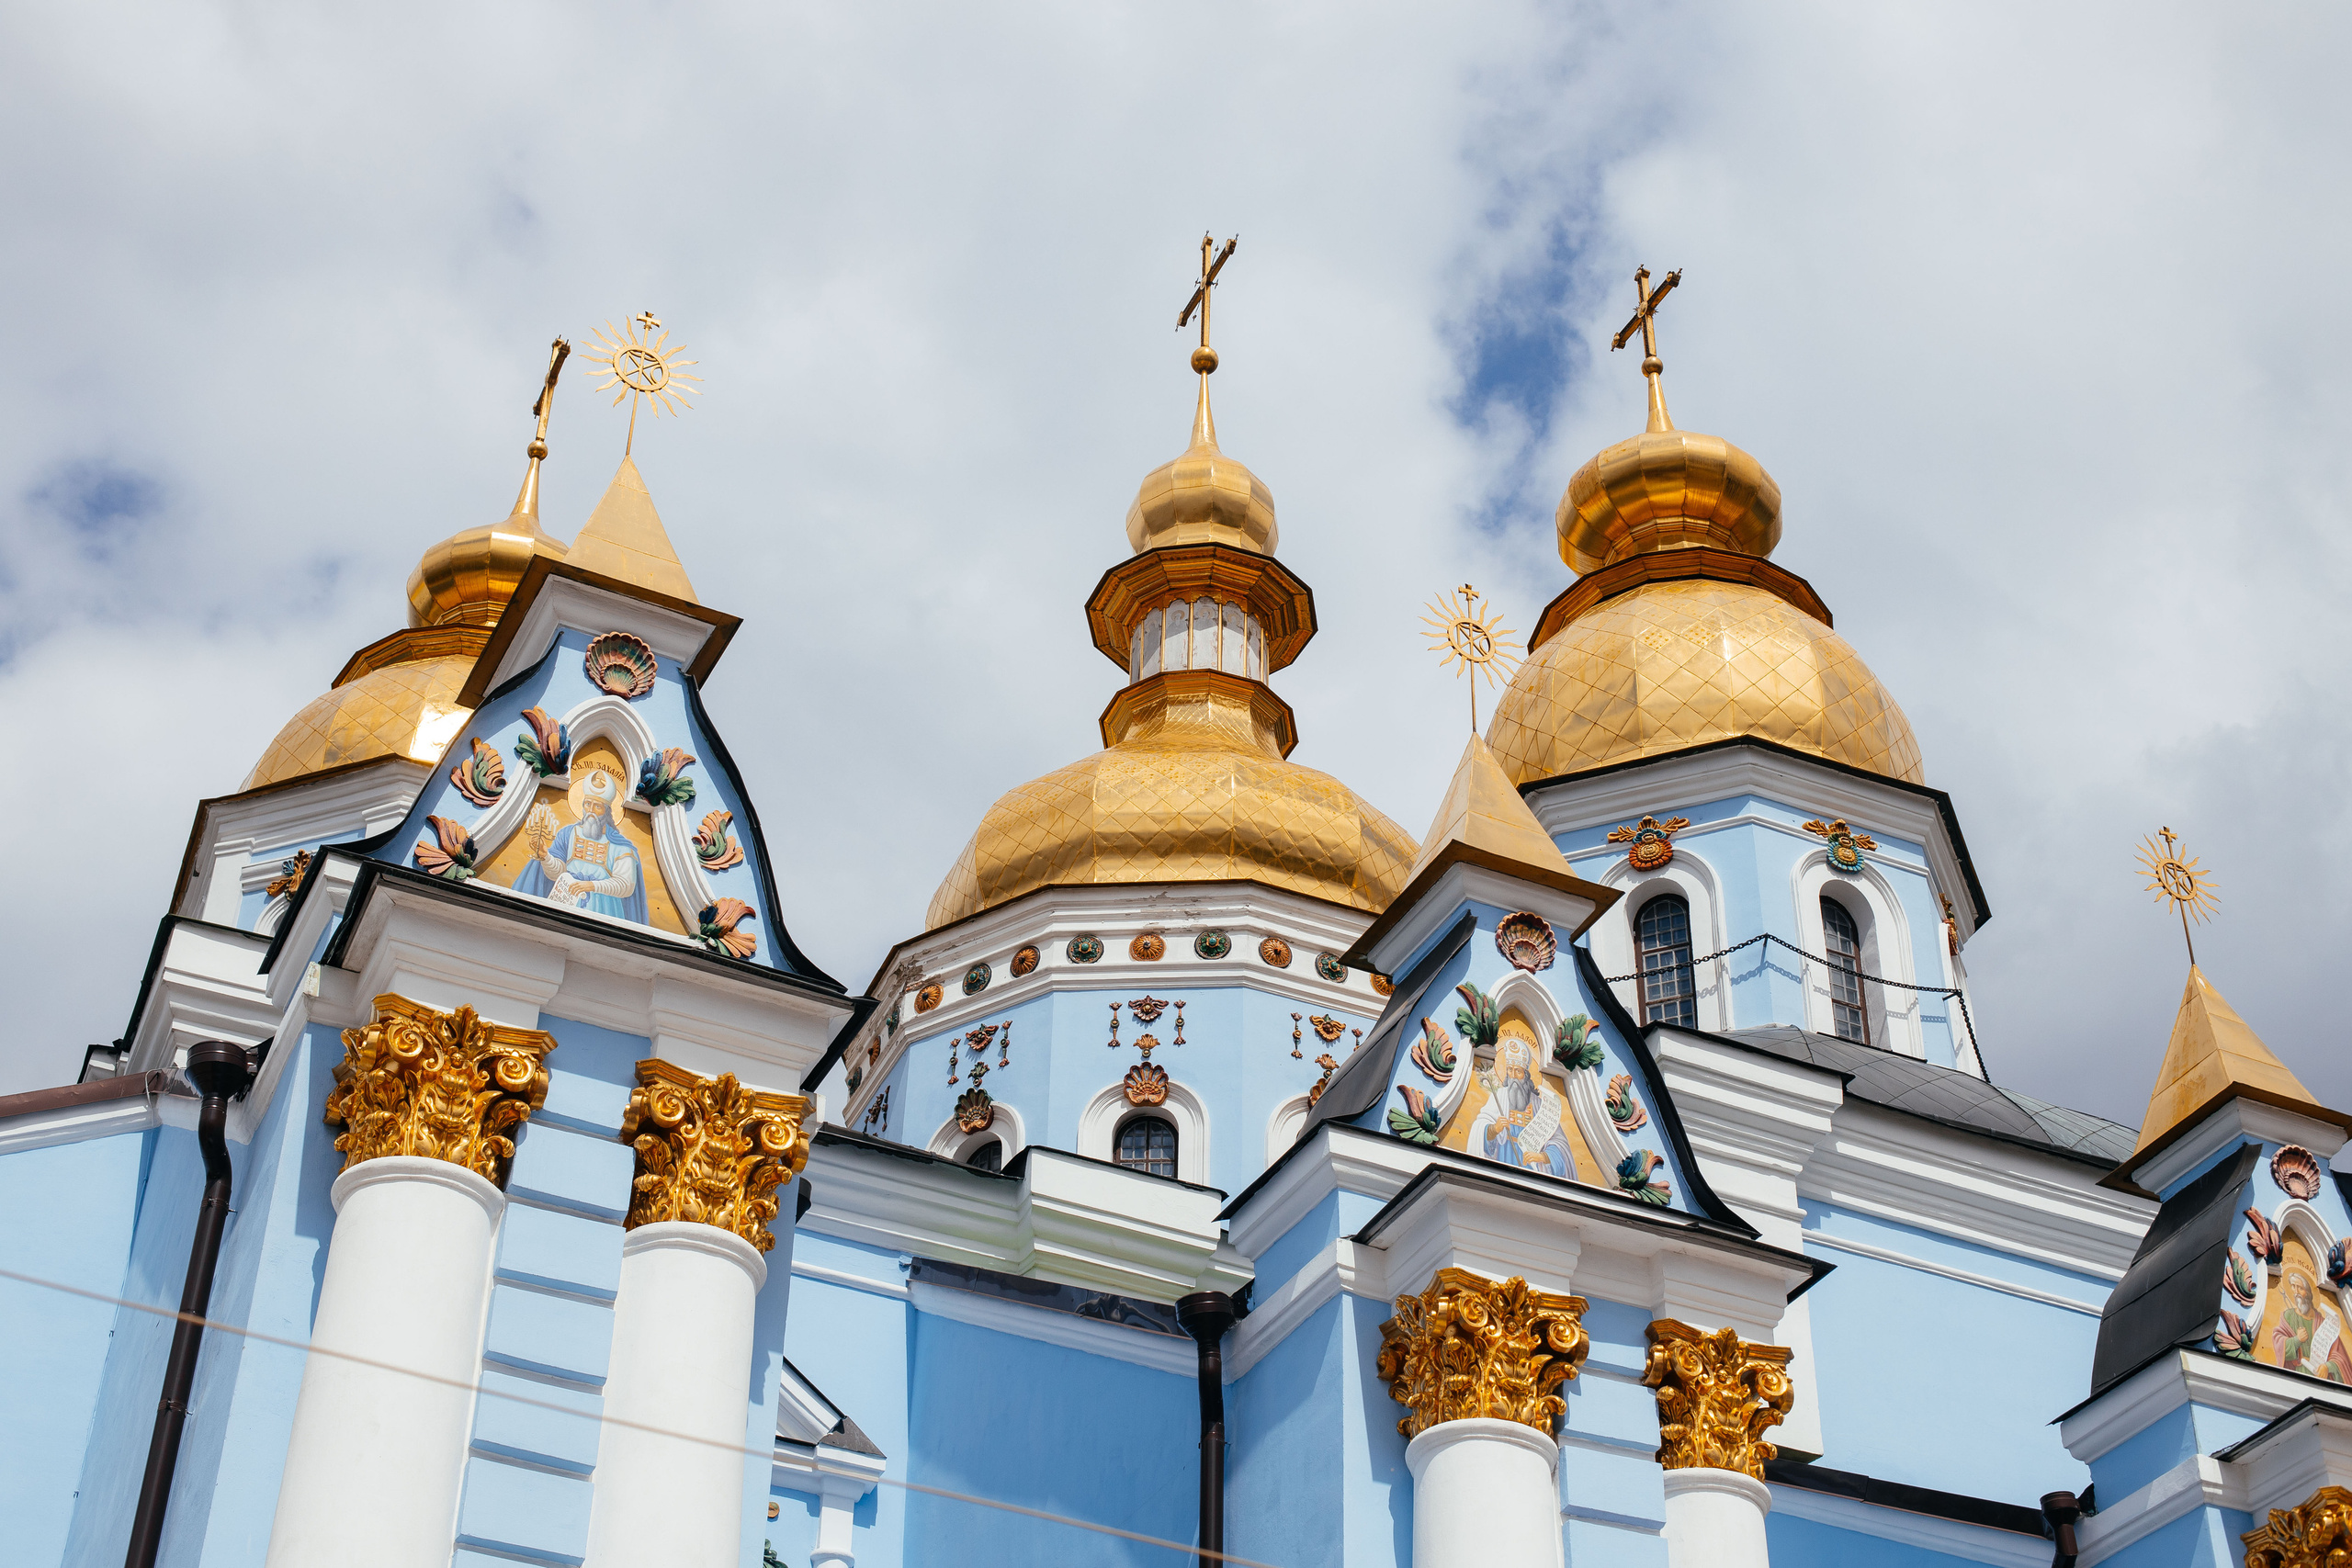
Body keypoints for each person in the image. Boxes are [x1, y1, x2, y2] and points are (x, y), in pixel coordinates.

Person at [513, 768, 649, 925]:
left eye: (597, 807)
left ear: (607, 812)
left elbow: (625, 885)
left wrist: (591, 885)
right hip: (566, 902)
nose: (590, 811)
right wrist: (546, 857)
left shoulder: (621, 846)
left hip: (604, 910)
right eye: (588, 804)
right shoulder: (568, 834)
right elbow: (557, 873)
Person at [1467, 1035, 1574, 1179]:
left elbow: (1559, 1142)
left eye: (1518, 1071)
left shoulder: (1540, 1106)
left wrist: (1542, 1157)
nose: (1513, 1076)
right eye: (1510, 1070)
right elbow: (1480, 1126)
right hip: (1503, 1162)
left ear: (1526, 1075)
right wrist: (1494, 1129)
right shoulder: (1499, 1096)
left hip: (1532, 1167)